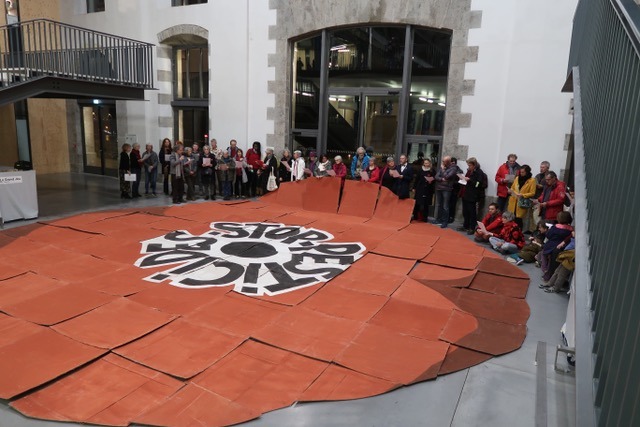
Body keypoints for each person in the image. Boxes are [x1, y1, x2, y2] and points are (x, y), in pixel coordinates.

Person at [540, 211, 573, 281]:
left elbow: (548, 235)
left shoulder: (555, 227)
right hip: (563, 248)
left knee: (544, 256)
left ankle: (545, 271)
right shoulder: (570, 229)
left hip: (550, 246)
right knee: (555, 263)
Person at [506, 165, 537, 229]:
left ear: (527, 172)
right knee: (511, 218)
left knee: (518, 219)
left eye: (523, 172)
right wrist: (510, 191)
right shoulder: (517, 178)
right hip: (513, 200)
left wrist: (523, 195)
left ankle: (518, 232)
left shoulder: (532, 180)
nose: (521, 173)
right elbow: (512, 187)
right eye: (520, 172)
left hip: (522, 202)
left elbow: (532, 193)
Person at [458, 157, 483, 234]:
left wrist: (470, 180)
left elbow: (478, 184)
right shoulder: (469, 171)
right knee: (465, 211)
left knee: (472, 212)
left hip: (473, 195)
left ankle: (472, 228)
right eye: (468, 165)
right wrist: (463, 179)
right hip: (465, 193)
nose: (468, 167)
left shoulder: (479, 172)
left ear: (474, 165)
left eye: (470, 165)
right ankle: (465, 225)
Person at [433, 156, 458, 228]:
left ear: (448, 162)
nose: (443, 162)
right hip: (439, 188)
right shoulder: (442, 167)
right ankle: (439, 219)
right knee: (439, 205)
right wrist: (442, 179)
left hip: (447, 189)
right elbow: (436, 176)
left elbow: (447, 177)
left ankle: (445, 221)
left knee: (445, 206)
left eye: (444, 161)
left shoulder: (453, 168)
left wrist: (443, 170)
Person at [448, 157, 463, 223]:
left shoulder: (459, 171)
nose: (452, 164)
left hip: (455, 189)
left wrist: (453, 182)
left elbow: (461, 181)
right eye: (451, 163)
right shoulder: (448, 169)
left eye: (453, 163)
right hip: (447, 188)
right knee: (446, 204)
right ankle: (445, 216)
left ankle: (451, 217)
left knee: (452, 204)